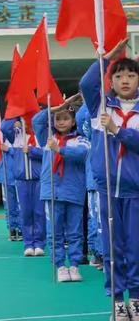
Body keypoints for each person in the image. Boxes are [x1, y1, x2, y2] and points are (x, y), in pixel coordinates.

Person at [80, 38, 139, 320]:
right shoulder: (100, 107)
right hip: (107, 190)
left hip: (135, 191)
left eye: (130, 75)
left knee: (136, 246)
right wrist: (106, 57)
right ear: (111, 81)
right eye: (119, 75)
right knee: (112, 247)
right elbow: (86, 84)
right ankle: (117, 299)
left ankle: (136, 298)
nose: (125, 80)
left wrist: (118, 130)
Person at [33, 97, 89, 283]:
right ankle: (59, 266)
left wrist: (60, 150)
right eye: (57, 118)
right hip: (52, 192)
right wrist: (57, 107)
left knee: (75, 231)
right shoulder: (47, 138)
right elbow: (36, 120)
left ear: (73, 121)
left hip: (74, 192)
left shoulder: (81, 139)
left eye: (65, 118)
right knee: (55, 232)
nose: (61, 122)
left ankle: (74, 264)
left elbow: (82, 154)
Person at [1, 117, 44, 257]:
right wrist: (14, 120)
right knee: (25, 213)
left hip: (37, 180)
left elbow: (47, 153)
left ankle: (39, 243)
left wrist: (31, 150)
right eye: (23, 119)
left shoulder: (40, 135)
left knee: (38, 212)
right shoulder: (17, 135)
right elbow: (4, 127)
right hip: (21, 180)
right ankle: (28, 244)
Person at [76, 102, 104, 270]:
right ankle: (99, 253)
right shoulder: (87, 111)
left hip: (119, 178)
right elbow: (83, 124)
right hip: (96, 177)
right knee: (97, 217)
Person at [0, 140, 22, 241]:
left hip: (21, 175)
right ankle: (11, 228)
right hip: (6, 176)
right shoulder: (1, 136)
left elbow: (25, 151)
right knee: (9, 205)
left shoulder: (24, 135)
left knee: (21, 205)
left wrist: (9, 149)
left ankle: (21, 229)